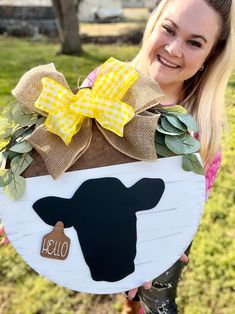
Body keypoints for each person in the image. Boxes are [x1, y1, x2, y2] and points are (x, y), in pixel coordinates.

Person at [1, 0, 234, 313]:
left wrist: (165, 246)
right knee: (108, 272)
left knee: (155, 300)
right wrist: (22, 199)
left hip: (160, 226)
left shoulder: (200, 126)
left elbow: (190, 199)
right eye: (168, 29)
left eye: (194, 42)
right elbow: (66, 143)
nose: (174, 49)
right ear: (153, 25)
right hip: (94, 215)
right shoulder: (106, 83)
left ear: (212, 55)